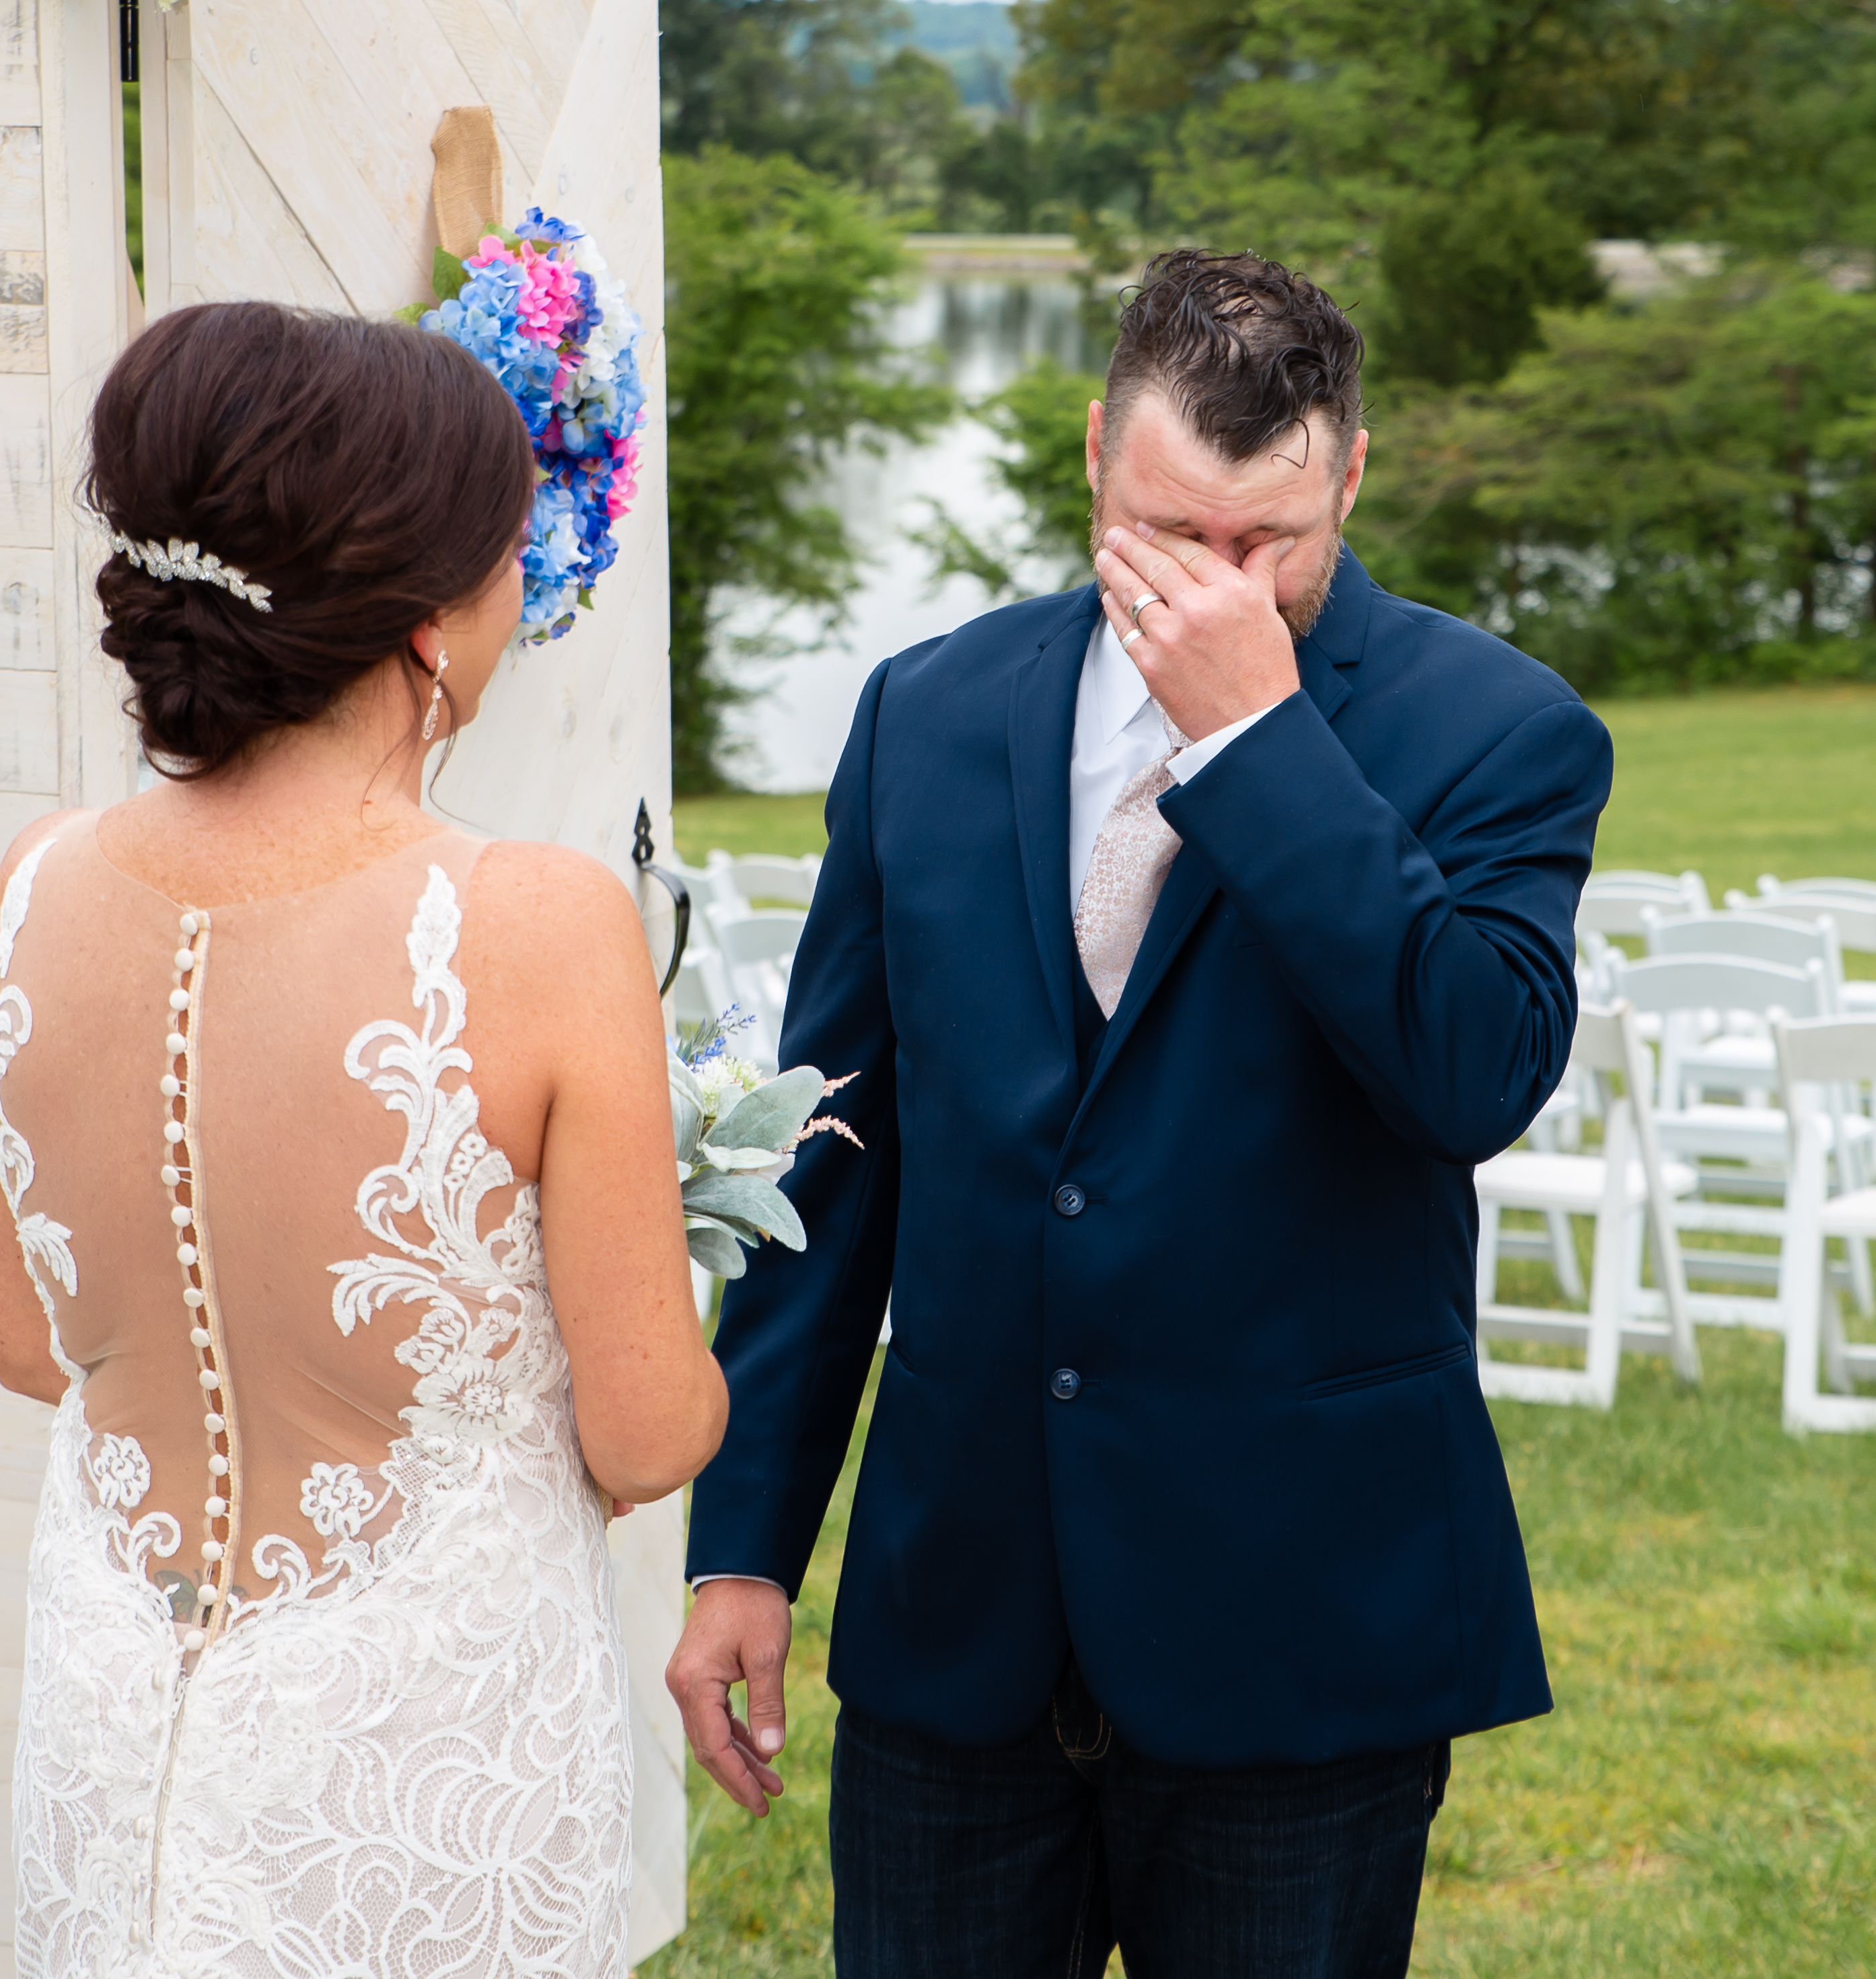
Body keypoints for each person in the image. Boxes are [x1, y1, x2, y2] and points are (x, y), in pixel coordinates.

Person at [666, 250, 1612, 1978]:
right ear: (1097, 450)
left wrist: (1256, 736)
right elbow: (834, 1143)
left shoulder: (1506, 733)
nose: (1224, 584)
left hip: (1300, 1628)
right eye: (1175, 536)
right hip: (959, 1621)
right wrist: (743, 1545)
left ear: (1351, 475)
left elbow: (1469, 1074)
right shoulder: (926, 712)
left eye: (1272, 544)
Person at [0, 301, 727, 1978]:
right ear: (431, 629)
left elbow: (31, 1345)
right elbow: (651, 1428)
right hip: (419, 1787)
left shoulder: (25, 890)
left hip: (114, 1749)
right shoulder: (537, 925)